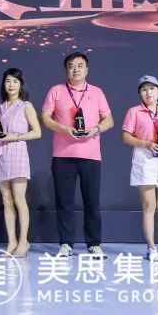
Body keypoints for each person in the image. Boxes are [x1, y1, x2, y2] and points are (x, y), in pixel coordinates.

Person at [40, 51, 114, 259]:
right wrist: (64, 129)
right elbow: (44, 118)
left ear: (87, 70)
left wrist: (96, 129)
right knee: (64, 202)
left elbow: (109, 120)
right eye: (71, 66)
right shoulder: (56, 90)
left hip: (91, 155)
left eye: (80, 65)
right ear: (66, 70)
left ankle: (94, 244)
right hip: (62, 155)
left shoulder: (97, 92)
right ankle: (65, 243)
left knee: (92, 201)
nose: (76, 69)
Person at [121, 75, 158, 260]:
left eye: (152, 88)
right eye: (144, 89)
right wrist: (146, 144)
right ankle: (151, 248)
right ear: (140, 93)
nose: (148, 92)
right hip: (145, 159)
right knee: (149, 206)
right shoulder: (134, 112)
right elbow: (125, 137)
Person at [0, 68, 42, 258]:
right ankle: (11, 241)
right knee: (6, 200)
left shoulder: (26, 106)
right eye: (8, 81)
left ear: (21, 85)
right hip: (1, 154)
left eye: (15, 81)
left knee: (19, 198)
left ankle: (23, 241)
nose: (11, 85)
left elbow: (37, 132)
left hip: (18, 152)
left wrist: (15, 136)